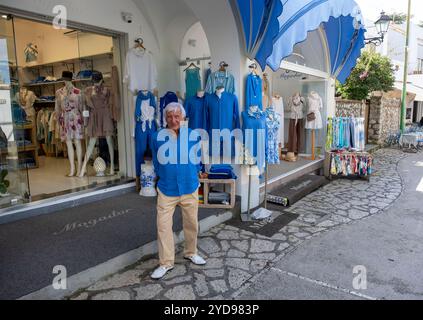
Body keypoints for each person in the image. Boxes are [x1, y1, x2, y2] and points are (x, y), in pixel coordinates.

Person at [150, 102, 206, 280]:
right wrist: (164, 175)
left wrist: (195, 173)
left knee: (191, 223)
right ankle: (166, 262)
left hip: (190, 186)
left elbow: (197, 158)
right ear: (165, 118)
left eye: (177, 116)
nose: (173, 120)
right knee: (163, 226)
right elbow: (156, 161)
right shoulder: (157, 137)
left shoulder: (193, 135)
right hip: (167, 189)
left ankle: (191, 252)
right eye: (169, 116)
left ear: (183, 117)